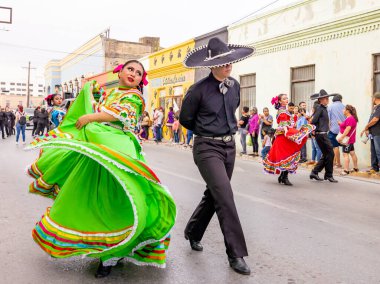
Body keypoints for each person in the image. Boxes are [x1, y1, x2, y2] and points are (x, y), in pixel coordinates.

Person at [26, 60, 176, 278]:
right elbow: (98, 107)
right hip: (99, 150)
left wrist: (90, 117)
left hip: (118, 152)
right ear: (120, 72)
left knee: (119, 201)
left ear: (141, 80)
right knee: (93, 199)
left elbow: (118, 116)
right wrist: (90, 92)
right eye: (130, 69)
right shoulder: (112, 93)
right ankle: (102, 246)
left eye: (138, 72)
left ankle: (112, 255)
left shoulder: (134, 96)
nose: (133, 73)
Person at [180, 37, 254, 275]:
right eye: (222, 62)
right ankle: (236, 253)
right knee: (225, 196)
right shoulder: (198, 90)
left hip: (229, 147)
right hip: (206, 147)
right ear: (211, 65)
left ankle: (192, 231)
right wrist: (206, 129)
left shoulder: (235, 86)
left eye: (229, 61)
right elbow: (185, 119)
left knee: (214, 195)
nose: (228, 65)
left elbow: (232, 111)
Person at [263, 94, 315, 186]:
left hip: (286, 134)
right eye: (284, 98)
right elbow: (284, 125)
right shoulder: (282, 111)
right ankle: (284, 177)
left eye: (287, 98)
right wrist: (291, 132)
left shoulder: (285, 111)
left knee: (289, 155)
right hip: (283, 136)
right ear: (279, 101)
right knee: (286, 155)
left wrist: (294, 129)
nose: (286, 100)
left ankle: (283, 176)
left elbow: (289, 124)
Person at [309, 89, 338, 183]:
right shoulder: (320, 109)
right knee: (331, 153)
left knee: (326, 154)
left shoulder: (323, 108)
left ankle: (315, 172)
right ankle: (329, 175)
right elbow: (313, 121)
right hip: (321, 135)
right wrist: (314, 130)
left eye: (327, 98)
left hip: (322, 134)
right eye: (325, 98)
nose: (327, 100)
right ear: (321, 100)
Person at [360, 92, 380, 173]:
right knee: (374, 151)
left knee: (378, 151)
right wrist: (366, 129)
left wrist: (366, 127)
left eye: (373, 98)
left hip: (378, 133)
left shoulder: (379, 108)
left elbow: (375, 119)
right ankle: (374, 167)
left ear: (375, 98)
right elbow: (372, 120)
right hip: (373, 133)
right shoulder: (375, 108)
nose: (372, 100)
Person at [337, 105, 359, 175]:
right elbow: (347, 126)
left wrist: (342, 137)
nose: (343, 110)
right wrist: (341, 124)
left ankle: (346, 170)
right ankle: (355, 168)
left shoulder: (350, 118)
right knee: (352, 153)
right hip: (350, 139)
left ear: (348, 111)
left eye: (344, 109)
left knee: (345, 154)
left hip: (347, 140)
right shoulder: (350, 118)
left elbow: (348, 129)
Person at [327, 94, 345, 168]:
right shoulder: (344, 106)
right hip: (343, 129)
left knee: (335, 146)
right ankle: (335, 162)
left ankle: (338, 163)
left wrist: (328, 128)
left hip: (333, 129)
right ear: (340, 99)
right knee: (345, 146)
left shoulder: (330, 107)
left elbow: (328, 119)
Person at [306, 101, 322, 166]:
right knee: (313, 147)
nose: (312, 108)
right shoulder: (313, 114)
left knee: (318, 148)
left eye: (313, 107)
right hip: (312, 132)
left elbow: (316, 124)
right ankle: (313, 160)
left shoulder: (318, 115)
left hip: (316, 133)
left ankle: (317, 161)